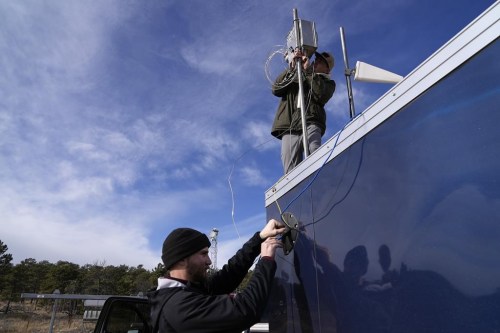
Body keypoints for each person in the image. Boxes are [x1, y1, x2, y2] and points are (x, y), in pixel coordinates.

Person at [148, 219, 286, 333]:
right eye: (203, 254)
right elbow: (246, 309)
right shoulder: (179, 306)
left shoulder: (189, 290)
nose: (209, 261)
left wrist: (260, 238)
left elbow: (230, 273)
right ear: (182, 259)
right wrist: (266, 259)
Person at [271, 49, 336, 174]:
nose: (316, 62)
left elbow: (321, 94)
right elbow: (276, 89)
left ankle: (320, 184)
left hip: (311, 123)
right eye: (316, 59)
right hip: (290, 126)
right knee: (290, 171)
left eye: (321, 62)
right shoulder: (296, 74)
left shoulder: (328, 83)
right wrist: (292, 68)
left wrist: (307, 72)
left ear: (327, 70)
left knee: (315, 155)